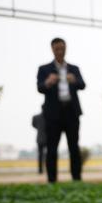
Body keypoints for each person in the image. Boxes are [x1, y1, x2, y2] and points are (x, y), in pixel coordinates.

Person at [36, 37, 85, 183]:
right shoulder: (44, 69)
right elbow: (40, 88)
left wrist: (74, 80)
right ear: (52, 49)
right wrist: (48, 82)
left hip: (71, 112)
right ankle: (52, 180)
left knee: (74, 147)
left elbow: (82, 85)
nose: (60, 51)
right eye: (57, 49)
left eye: (62, 48)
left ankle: (76, 178)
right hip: (53, 114)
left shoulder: (74, 69)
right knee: (52, 148)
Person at [31, 107, 46, 174]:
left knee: (40, 155)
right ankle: (47, 168)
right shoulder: (48, 117)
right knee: (47, 155)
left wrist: (39, 128)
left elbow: (33, 125)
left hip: (39, 138)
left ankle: (40, 170)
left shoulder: (36, 117)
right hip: (47, 138)